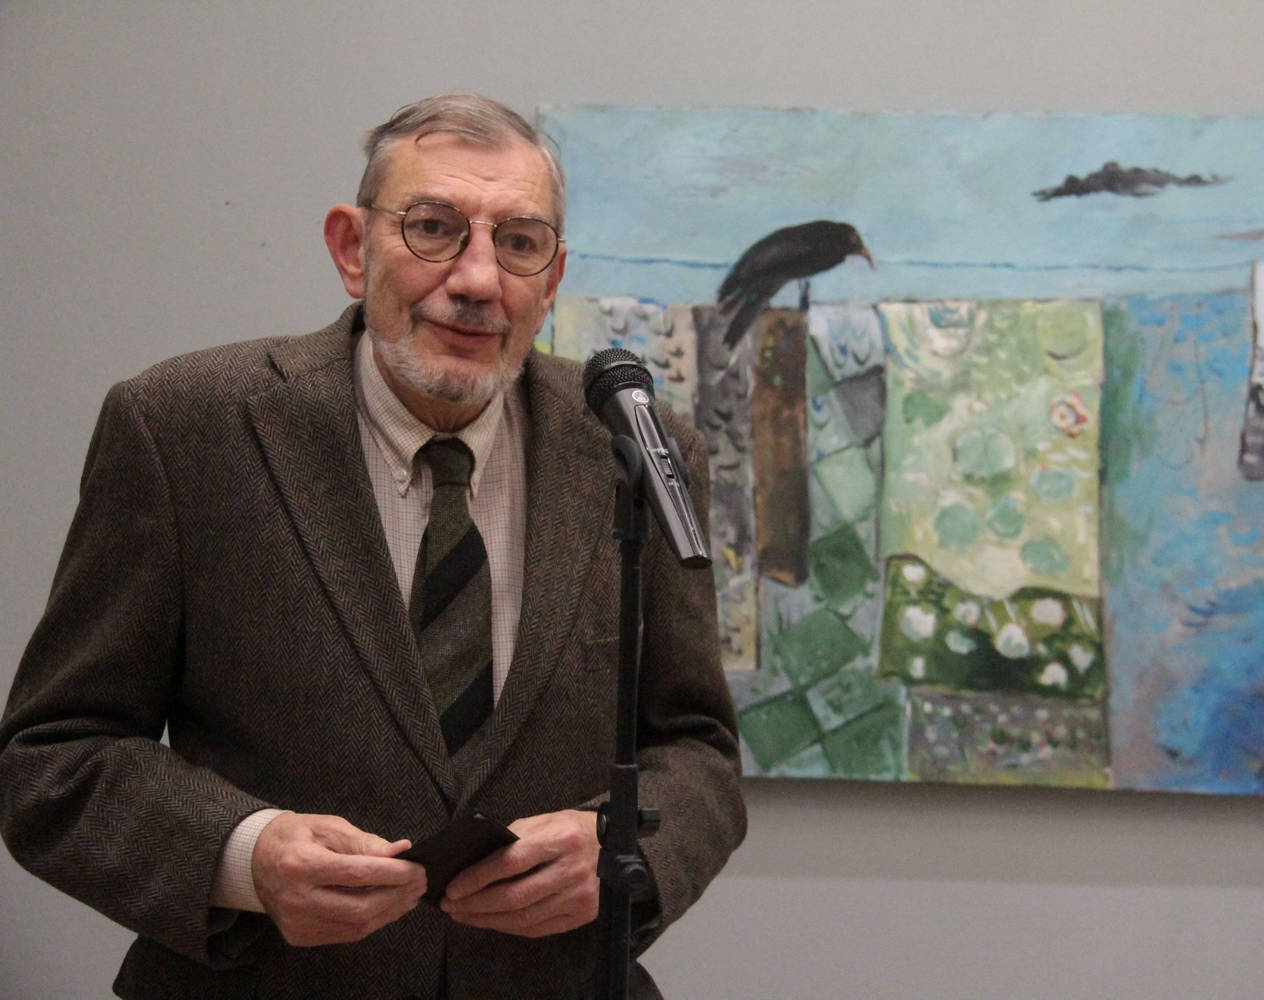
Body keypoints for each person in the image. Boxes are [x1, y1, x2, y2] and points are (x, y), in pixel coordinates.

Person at [0, 93, 746, 1000]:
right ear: (353, 248)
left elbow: (698, 749)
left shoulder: (632, 449)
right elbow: (53, 758)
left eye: (518, 243)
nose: (477, 280)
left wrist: (625, 851)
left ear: (551, 281)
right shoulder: (184, 428)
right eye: (433, 229)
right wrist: (244, 855)